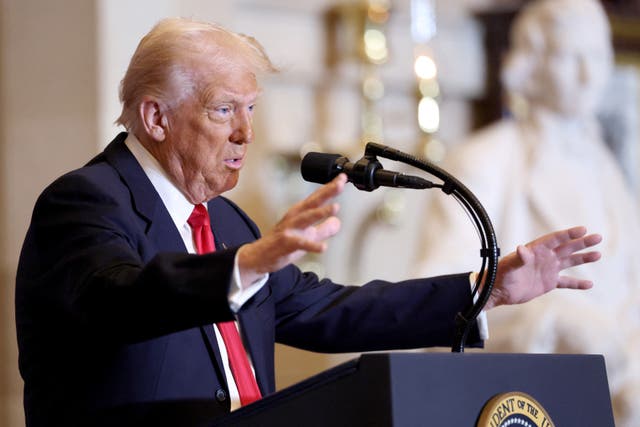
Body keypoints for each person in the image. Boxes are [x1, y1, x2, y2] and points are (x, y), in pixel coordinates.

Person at [15, 18, 602, 426]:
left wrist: (487, 290)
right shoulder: (85, 203)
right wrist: (248, 264)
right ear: (156, 118)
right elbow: (120, 299)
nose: (246, 134)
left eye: (251, 109)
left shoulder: (227, 222)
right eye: (224, 110)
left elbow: (332, 312)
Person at [415, 0, 640, 424]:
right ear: (533, 62)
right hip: (527, 401)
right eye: (570, 57)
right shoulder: (486, 160)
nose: (589, 75)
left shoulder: (606, 168)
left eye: (597, 55)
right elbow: (438, 310)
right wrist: (548, 319)